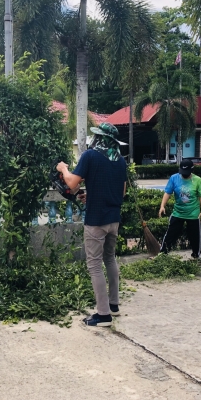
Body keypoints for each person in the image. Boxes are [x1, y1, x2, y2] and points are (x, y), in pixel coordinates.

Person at [57, 122, 127, 327]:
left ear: (99, 138)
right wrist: (93, 194)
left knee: (95, 265)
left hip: (96, 221)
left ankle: (103, 315)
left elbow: (71, 183)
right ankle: (114, 305)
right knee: (110, 259)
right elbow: (121, 192)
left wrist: (64, 168)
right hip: (114, 219)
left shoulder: (90, 156)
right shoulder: (120, 161)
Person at [158, 159, 201, 257]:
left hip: (193, 213)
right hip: (178, 212)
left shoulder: (197, 180)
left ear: (192, 170)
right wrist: (162, 206)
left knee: (195, 236)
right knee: (171, 234)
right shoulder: (174, 178)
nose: (184, 174)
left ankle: (196, 255)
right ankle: (163, 254)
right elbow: (167, 192)